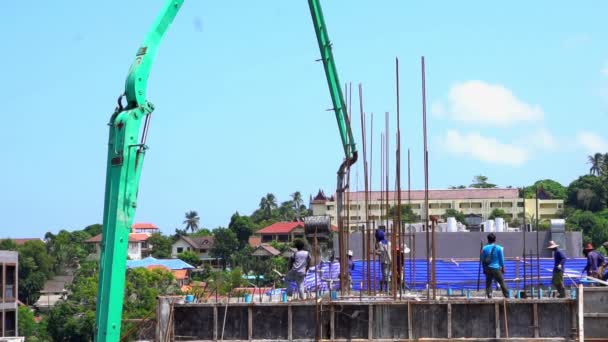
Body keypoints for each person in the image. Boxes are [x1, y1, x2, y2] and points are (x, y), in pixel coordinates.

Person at [480, 233, 509, 298]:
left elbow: (482, 260)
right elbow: (501, 259)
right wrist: (503, 267)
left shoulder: (484, 248)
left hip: (488, 268)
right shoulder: (499, 248)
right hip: (496, 268)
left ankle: (489, 295)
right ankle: (507, 296)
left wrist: (484, 268)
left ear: (488, 240)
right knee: (501, 282)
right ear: (495, 239)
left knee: (488, 283)